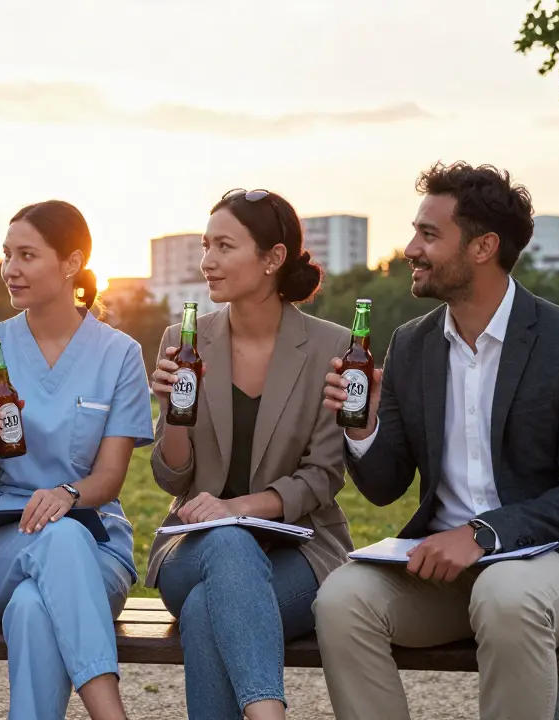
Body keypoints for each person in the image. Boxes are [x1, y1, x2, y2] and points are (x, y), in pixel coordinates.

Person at [316, 162, 559, 720]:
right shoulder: (412, 345)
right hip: (446, 572)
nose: (411, 248)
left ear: (483, 247)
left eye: (429, 235)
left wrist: (484, 534)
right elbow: (387, 486)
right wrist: (362, 428)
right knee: (342, 601)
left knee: (505, 594)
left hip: (555, 567)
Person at [146, 189, 355, 720]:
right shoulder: (184, 338)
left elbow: (322, 478)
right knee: (229, 547)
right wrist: (172, 410)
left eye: (224, 246)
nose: (206, 261)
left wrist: (235, 508)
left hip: (301, 553)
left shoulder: (333, 348)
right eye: (204, 245)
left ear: (272, 259)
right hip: (193, 550)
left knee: (204, 611)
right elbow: (174, 478)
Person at [0, 200, 154, 720]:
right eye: (7, 254)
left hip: (94, 546)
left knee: (36, 608)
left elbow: (109, 477)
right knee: (55, 539)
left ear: (71, 262)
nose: (11, 268)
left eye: (28, 255)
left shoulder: (119, 353)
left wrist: (67, 495)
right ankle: (111, 712)